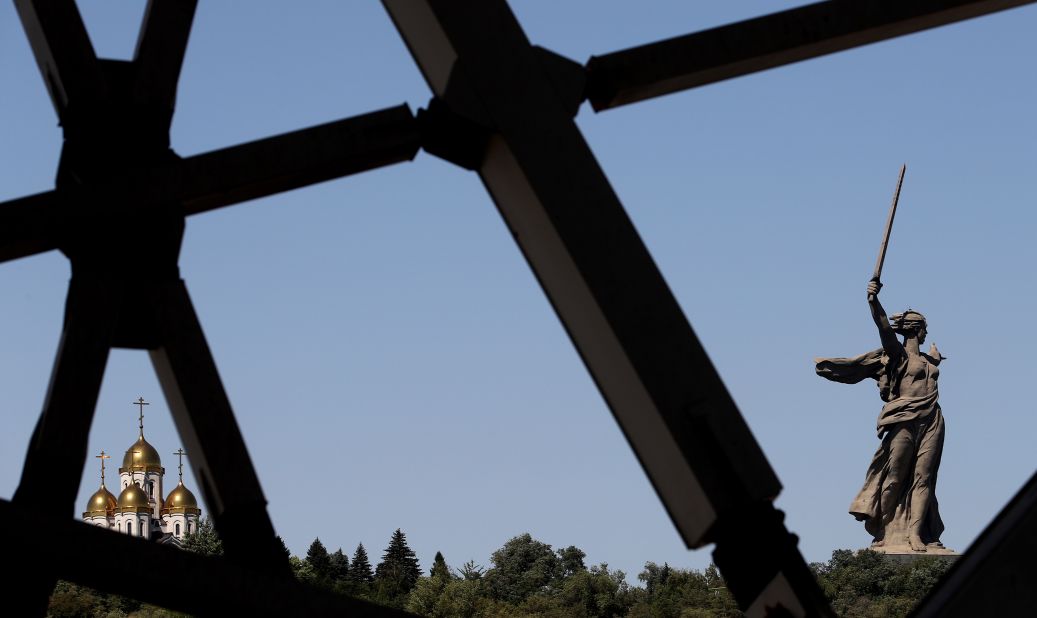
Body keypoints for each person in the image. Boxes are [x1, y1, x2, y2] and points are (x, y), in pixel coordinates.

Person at [815, 279, 946, 552]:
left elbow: (931, 364)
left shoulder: (929, 360)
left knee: (924, 477)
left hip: (932, 418)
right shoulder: (898, 356)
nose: (926, 334)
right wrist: (874, 301)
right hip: (903, 418)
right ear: (916, 329)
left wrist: (934, 357)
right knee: (895, 475)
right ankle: (885, 529)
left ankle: (915, 533)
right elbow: (884, 326)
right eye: (924, 329)